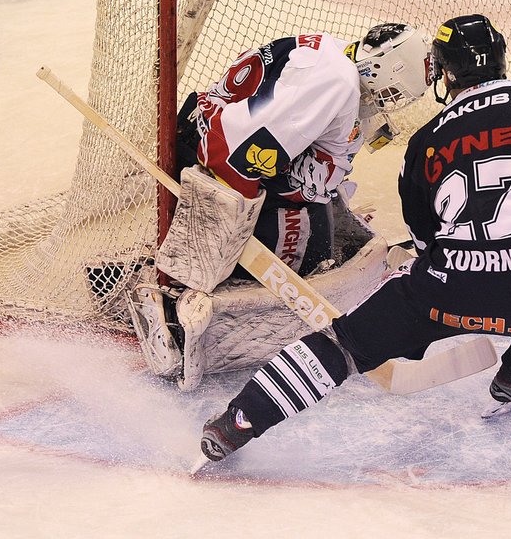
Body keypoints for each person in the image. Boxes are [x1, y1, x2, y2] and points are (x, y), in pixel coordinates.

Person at [199, 14, 511, 461]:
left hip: (446, 287)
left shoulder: (424, 141)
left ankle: (238, 421)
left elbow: (424, 243)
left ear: (445, 73)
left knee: (343, 345)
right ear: (501, 60)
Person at [128, 23, 432, 390]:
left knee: (322, 236)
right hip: (215, 167)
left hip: (222, 149)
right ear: (383, 66)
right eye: (396, 89)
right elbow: (233, 155)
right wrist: (228, 219)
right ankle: (177, 300)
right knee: (306, 250)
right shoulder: (335, 83)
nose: (392, 99)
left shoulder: (333, 58)